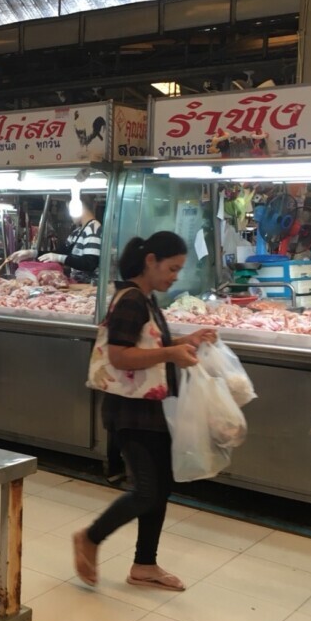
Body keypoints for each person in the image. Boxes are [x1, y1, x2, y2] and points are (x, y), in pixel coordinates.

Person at [72, 232, 216, 591]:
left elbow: (149, 343)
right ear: (150, 261)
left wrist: (185, 341)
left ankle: (145, 565)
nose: (175, 277)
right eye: (172, 268)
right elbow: (119, 355)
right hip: (131, 412)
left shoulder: (146, 299)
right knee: (147, 491)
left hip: (151, 409)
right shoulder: (132, 300)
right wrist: (170, 354)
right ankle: (90, 537)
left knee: (161, 488)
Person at [9, 195, 102, 283]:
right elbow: (61, 252)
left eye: (69, 210)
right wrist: (33, 253)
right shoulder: (78, 231)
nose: (70, 215)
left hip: (89, 286)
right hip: (78, 284)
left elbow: (90, 263)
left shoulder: (93, 229)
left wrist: (59, 258)